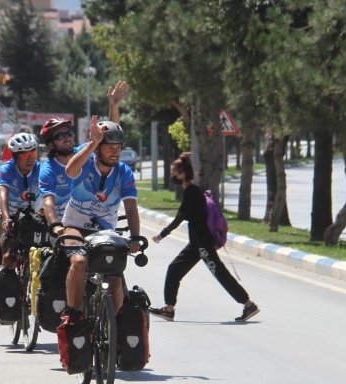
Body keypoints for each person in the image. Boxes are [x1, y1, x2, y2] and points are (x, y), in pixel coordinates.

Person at [149, 153, 260, 322]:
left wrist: (162, 234)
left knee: (221, 274)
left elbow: (180, 217)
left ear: (183, 173)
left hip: (202, 243)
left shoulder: (192, 192)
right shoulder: (191, 191)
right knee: (174, 270)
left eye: (175, 173)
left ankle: (248, 304)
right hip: (196, 244)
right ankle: (169, 309)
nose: (173, 177)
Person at [56, 116, 141, 324]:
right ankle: (73, 314)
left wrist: (136, 237)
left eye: (119, 147)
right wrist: (93, 142)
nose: (115, 151)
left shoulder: (124, 172)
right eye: (110, 147)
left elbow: (131, 207)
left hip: (104, 232)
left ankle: (115, 325)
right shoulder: (85, 163)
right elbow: (70, 170)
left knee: (114, 276)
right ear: (97, 149)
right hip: (74, 226)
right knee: (78, 261)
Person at [39, 81, 129, 230]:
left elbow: (109, 136)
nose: (66, 137)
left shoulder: (83, 153)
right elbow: (48, 202)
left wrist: (113, 106)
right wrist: (55, 225)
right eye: (59, 136)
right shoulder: (48, 169)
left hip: (88, 224)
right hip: (60, 226)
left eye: (68, 132)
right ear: (50, 144)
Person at [0, 132, 41, 268]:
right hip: (12, 218)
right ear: (15, 157)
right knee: (8, 255)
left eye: (32, 154)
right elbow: (3, 195)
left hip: (37, 217)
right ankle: (6, 282)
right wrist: (6, 218)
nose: (30, 159)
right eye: (24, 155)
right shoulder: (6, 170)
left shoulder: (42, 169)